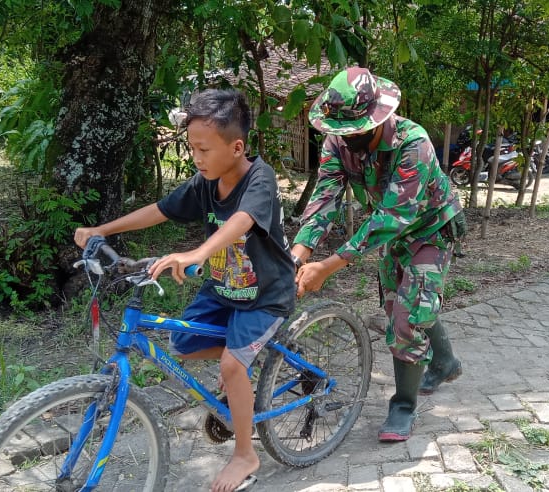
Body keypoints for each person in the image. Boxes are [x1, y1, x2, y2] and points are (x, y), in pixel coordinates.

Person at [73, 89, 295, 492]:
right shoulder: (204, 183)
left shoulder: (259, 179)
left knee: (231, 365)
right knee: (181, 343)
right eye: (191, 148)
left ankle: (245, 454)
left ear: (237, 147)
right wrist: (101, 231)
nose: (196, 157)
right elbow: (159, 210)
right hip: (224, 290)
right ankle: (243, 358)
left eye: (203, 149)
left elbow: (242, 221)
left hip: (266, 294)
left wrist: (198, 251)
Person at [291, 67, 465, 442]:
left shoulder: (412, 142)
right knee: (402, 306)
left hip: (432, 227)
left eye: (352, 130)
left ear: (376, 120)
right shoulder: (338, 142)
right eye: (338, 131)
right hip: (394, 233)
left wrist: (330, 265)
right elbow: (325, 196)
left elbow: (394, 214)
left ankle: (403, 406)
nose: (344, 137)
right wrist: (300, 251)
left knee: (408, 317)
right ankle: (446, 362)